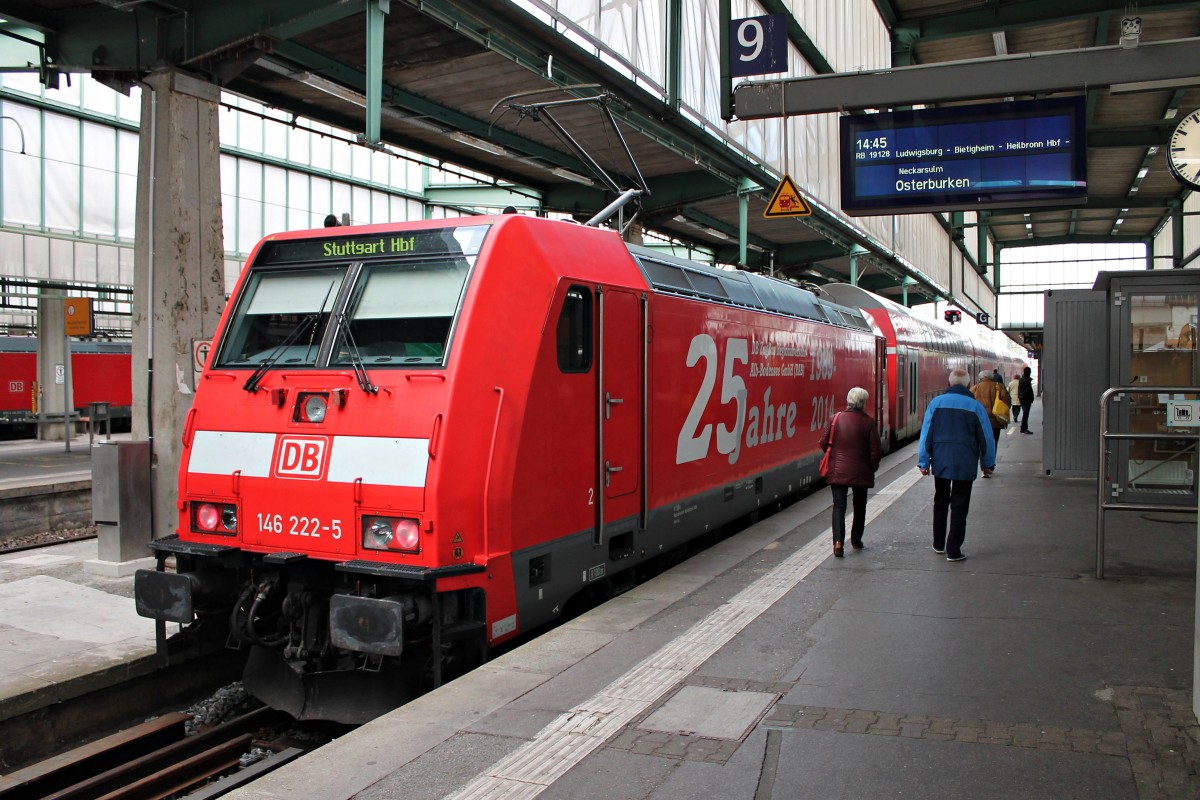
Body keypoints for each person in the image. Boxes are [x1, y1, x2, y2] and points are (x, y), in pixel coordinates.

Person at [917, 368, 996, 562]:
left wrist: (923, 461)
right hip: (965, 461)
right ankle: (953, 550)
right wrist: (988, 463)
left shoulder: (936, 404)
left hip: (941, 461)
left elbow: (926, 434)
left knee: (941, 500)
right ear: (968, 384)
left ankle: (938, 544)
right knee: (960, 505)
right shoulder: (975, 406)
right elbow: (986, 437)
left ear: (950, 383)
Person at [820, 387, 882, 558]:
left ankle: (838, 543)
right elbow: (876, 451)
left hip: (838, 471)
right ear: (863, 403)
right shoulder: (869, 423)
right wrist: (872, 466)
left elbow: (824, 442)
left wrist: (834, 457)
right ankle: (856, 540)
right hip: (861, 472)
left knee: (839, 505)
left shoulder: (835, 419)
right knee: (859, 505)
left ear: (848, 400)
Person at [970, 368, 1011, 450]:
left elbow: (969, 404)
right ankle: (991, 461)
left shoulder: (974, 388)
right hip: (995, 421)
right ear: (991, 377)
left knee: (980, 443)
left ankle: (982, 459)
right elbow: (1007, 402)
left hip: (980, 421)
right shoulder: (1000, 387)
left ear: (980, 378)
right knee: (994, 442)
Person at [1017, 366, 1035, 434]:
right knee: (1025, 414)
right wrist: (1030, 398)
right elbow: (1027, 391)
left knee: (1025, 414)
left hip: (1022, 399)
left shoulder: (1022, 379)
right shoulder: (1026, 380)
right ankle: (1024, 428)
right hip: (1026, 400)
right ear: (1028, 372)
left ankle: (1023, 428)